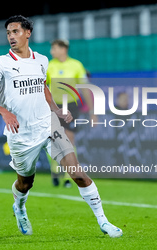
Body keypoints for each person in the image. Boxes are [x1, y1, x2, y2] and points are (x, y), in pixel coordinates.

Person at [0, 15, 122, 238]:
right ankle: (20, 207)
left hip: (48, 125)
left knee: (78, 173)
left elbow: (43, 87)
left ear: (28, 33)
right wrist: (4, 112)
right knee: (25, 182)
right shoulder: (0, 64)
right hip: (21, 134)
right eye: (8, 33)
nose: (11, 36)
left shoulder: (42, 61)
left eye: (15, 31)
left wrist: (56, 110)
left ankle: (104, 221)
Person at [47, 39, 97, 188]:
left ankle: (69, 177)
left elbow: (85, 88)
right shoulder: (49, 66)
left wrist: (93, 111)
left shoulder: (76, 65)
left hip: (71, 106)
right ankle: (55, 170)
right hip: (54, 106)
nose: (51, 52)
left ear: (63, 49)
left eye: (54, 48)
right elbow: (43, 88)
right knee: (54, 139)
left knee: (70, 139)